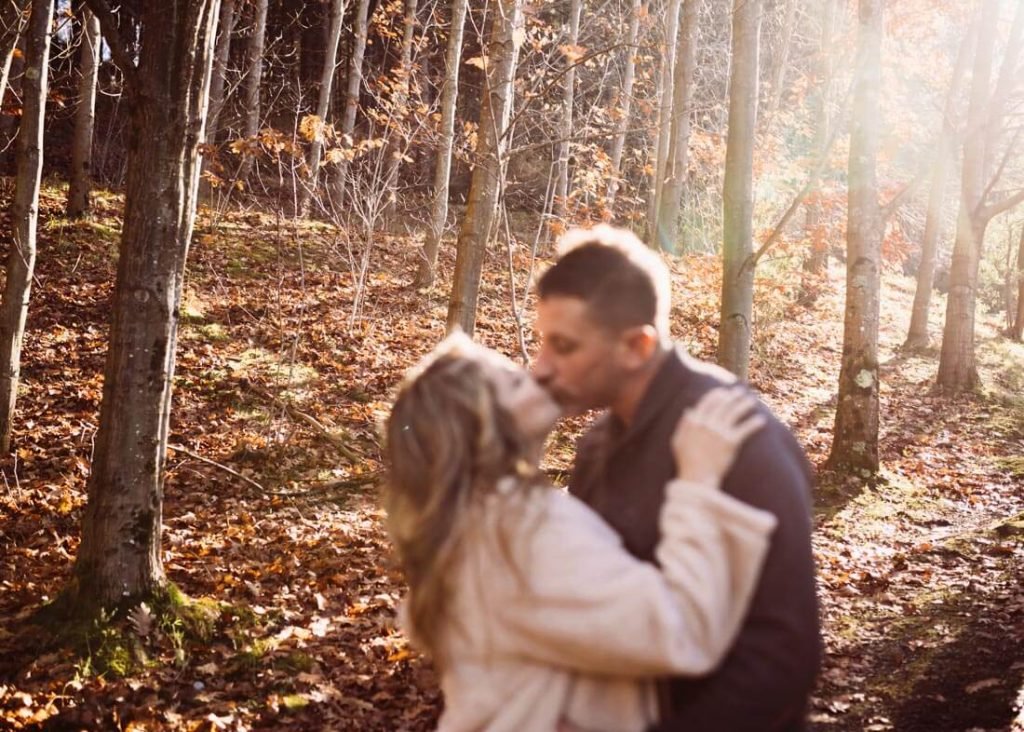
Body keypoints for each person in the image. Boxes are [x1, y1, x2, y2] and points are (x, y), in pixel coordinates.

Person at [385, 331, 776, 732]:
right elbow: (681, 633)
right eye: (516, 382)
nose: (537, 373)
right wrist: (698, 481)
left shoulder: (474, 528)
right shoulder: (519, 536)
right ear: (481, 427)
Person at [533, 225, 821, 732]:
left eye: (564, 346)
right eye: (542, 343)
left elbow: (782, 658)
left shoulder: (742, 439)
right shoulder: (597, 443)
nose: (540, 368)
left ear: (638, 346)